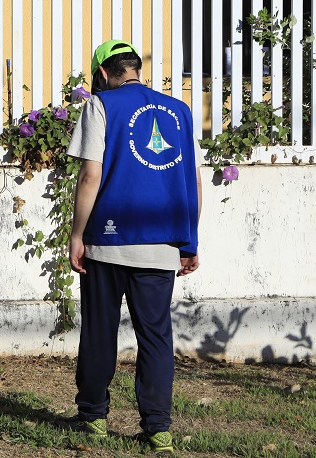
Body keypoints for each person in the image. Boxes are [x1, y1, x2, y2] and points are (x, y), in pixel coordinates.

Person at [66, 39, 202, 453]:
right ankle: (158, 428)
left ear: (104, 73)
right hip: (162, 243)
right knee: (157, 337)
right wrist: (189, 240)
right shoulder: (180, 112)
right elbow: (193, 182)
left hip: (107, 242)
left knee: (99, 333)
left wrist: (76, 235)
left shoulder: (101, 105)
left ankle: (93, 417)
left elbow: (91, 175)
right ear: (135, 69)